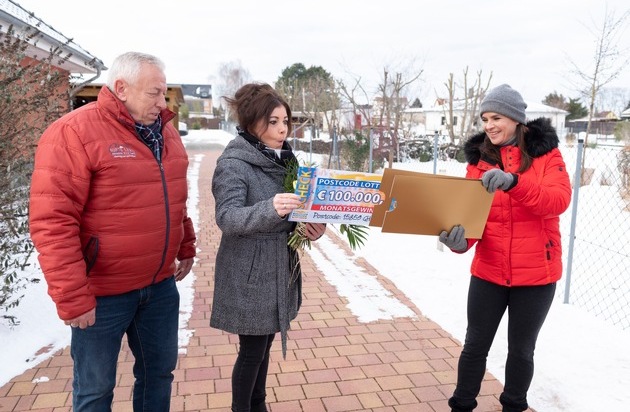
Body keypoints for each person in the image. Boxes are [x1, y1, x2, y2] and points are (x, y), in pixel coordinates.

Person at [29, 51, 196, 411]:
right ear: (121, 88)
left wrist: (186, 244)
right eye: (153, 92)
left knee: (158, 375)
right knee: (95, 390)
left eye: (163, 92)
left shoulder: (166, 132)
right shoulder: (73, 132)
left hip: (159, 289)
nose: (161, 101)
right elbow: (52, 221)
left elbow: (174, 196)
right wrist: (72, 296)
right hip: (102, 294)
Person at [438, 84, 572, 412]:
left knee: (521, 351)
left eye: (496, 117)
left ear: (515, 119)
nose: (489, 125)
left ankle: (513, 406)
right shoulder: (479, 161)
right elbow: (471, 218)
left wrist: (515, 182)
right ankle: (462, 405)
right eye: (485, 118)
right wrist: (459, 241)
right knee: (474, 346)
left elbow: (558, 200)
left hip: (536, 275)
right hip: (489, 271)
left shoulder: (546, 154)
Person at [210, 83, 326, 412]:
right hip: (250, 271)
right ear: (252, 123)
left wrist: (311, 228)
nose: (281, 129)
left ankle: (258, 405)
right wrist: (272, 208)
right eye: (272, 122)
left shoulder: (287, 161)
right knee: (252, 352)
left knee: (264, 348)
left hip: (280, 268)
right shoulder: (233, 163)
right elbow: (227, 218)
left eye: (285, 121)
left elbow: (297, 214)